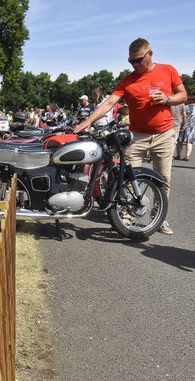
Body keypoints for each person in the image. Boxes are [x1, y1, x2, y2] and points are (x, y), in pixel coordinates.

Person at [75, 37, 187, 235]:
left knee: (164, 179)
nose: (134, 65)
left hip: (164, 134)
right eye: (131, 61)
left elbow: (183, 95)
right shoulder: (128, 80)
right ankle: (124, 213)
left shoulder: (168, 70)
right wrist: (88, 121)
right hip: (137, 135)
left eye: (138, 60)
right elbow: (109, 103)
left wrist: (167, 99)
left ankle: (157, 217)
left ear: (150, 54)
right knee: (124, 176)